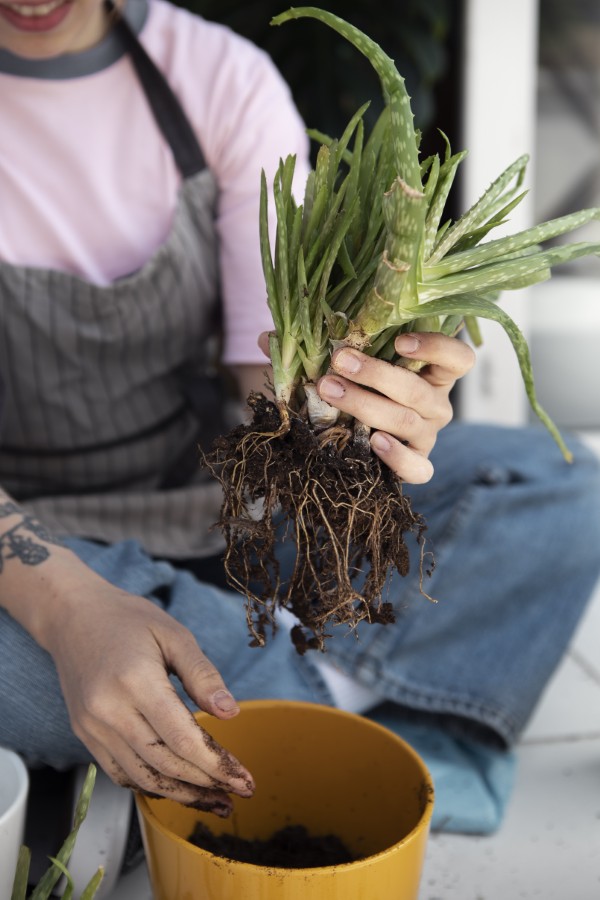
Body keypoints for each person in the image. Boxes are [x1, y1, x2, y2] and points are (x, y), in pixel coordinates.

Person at [1, 0, 600, 837]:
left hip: (211, 503)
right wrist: (67, 608)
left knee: (555, 483)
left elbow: (273, 386)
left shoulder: (213, 76)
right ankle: (334, 704)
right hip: (21, 549)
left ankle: (240, 700)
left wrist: (371, 409)